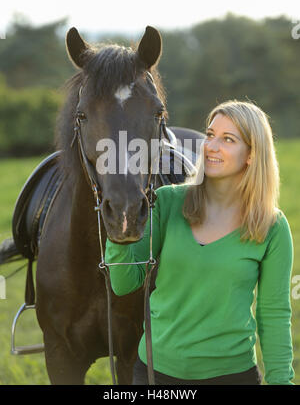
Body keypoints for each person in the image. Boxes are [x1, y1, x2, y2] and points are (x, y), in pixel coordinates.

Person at [105, 99, 294, 385]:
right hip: (155, 373)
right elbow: (124, 283)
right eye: (210, 135)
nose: (211, 146)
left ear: (252, 155)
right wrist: (117, 235)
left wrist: (281, 381)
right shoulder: (168, 202)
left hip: (232, 375)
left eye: (228, 139)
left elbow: (274, 313)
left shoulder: (272, 227)